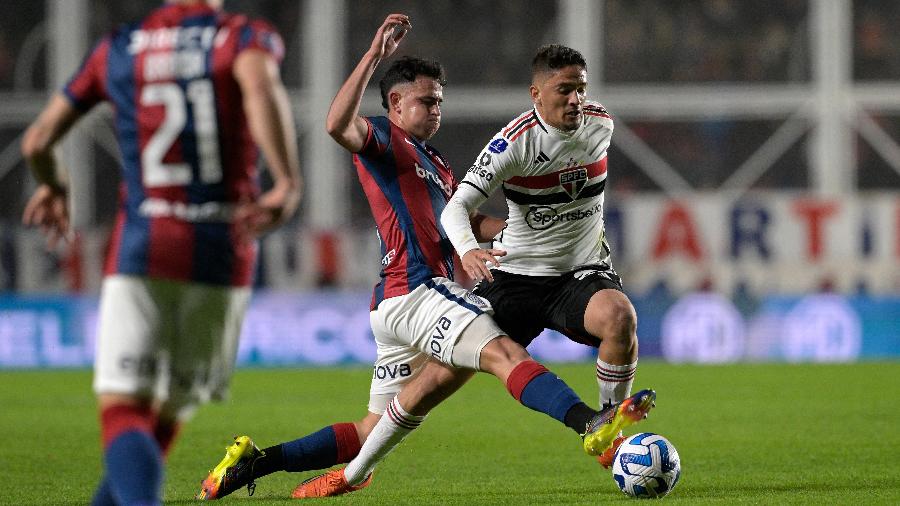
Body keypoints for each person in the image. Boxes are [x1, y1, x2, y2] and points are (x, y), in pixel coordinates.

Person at [196, 14, 654, 501]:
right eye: (427, 101)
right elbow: (335, 125)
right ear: (395, 103)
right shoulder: (381, 140)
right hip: (417, 289)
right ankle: (593, 423)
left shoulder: (434, 163)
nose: (437, 110)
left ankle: (258, 462)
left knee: (372, 425)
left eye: (440, 101)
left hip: (395, 303)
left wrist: (524, 236)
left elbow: (470, 221)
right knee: (502, 352)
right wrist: (374, 56)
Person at [20, 1, 301, 504]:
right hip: (224, 247)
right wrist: (286, 182)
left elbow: (38, 140)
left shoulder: (119, 49)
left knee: (124, 411)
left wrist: (56, 184)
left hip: (147, 241)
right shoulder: (239, 39)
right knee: (163, 418)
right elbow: (259, 85)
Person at [440, 43, 640, 468]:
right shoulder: (511, 145)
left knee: (619, 318)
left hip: (580, 272)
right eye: (564, 90)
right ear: (536, 95)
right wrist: (470, 250)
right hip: (516, 276)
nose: (575, 100)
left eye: (581, 89)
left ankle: (608, 430)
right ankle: (369, 443)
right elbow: (456, 208)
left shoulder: (600, 124)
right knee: (438, 374)